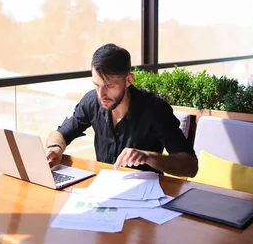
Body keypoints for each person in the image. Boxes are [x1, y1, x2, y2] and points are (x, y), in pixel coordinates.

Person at [45, 43, 198, 178]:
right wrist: (55, 148)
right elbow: (61, 134)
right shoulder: (92, 101)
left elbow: (190, 167)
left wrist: (147, 157)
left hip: (147, 197)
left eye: (109, 86)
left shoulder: (155, 109)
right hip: (105, 189)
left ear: (128, 80)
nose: (101, 95)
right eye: (96, 85)